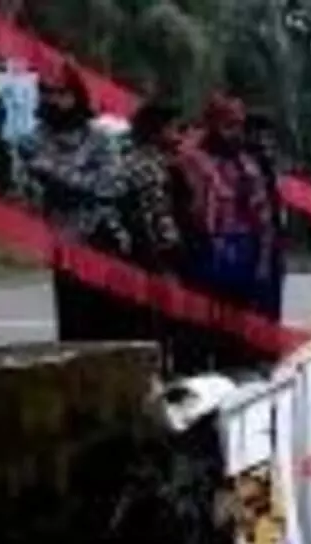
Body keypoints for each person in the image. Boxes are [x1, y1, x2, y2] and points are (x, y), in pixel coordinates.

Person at [23, 64, 132, 343]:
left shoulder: (100, 137)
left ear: (76, 96)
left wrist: (55, 172)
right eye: (46, 93)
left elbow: (111, 186)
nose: (53, 100)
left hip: (100, 239)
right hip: (57, 242)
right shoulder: (33, 139)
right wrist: (80, 180)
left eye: (61, 93)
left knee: (105, 325)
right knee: (68, 327)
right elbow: (29, 188)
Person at [178, 94, 275, 371]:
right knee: (197, 331)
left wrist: (263, 260)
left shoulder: (248, 164)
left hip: (242, 255)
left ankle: (234, 383)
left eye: (238, 126)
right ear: (212, 125)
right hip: (201, 253)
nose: (235, 133)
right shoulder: (189, 160)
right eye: (228, 126)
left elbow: (263, 216)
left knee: (235, 335)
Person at [120, 100, 190, 370]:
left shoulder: (155, 161)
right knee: (159, 324)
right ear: (155, 131)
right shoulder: (146, 166)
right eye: (173, 129)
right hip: (153, 257)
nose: (179, 135)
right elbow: (155, 215)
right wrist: (169, 253)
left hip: (154, 255)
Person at [245, 110, 286, 330]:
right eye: (259, 135)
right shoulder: (245, 164)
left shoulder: (270, 164)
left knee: (272, 300)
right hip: (252, 240)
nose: (264, 142)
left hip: (273, 238)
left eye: (268, 137)